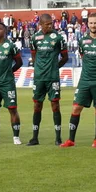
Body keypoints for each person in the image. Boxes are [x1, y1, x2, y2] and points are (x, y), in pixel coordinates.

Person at [60, 13, 96, 148]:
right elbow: (83, 56)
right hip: (85, 80)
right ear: (87, 24)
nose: (93, 25)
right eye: (91, 23)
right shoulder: (82, 41)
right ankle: (70, 140)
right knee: (76, 108)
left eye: (95, 23)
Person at [28, 13, 69, 146]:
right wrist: (39, 68)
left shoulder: (58, 38)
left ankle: (58, 138)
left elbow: (65, 57)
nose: (50, 26)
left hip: (53, 78)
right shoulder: (34, 38)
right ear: (41, 24)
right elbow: (34, 57)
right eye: (47, 24)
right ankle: (35, 138)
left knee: (55, 105)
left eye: (51, 23)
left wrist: (55, 68)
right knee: (37, 106)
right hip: (39, 78)